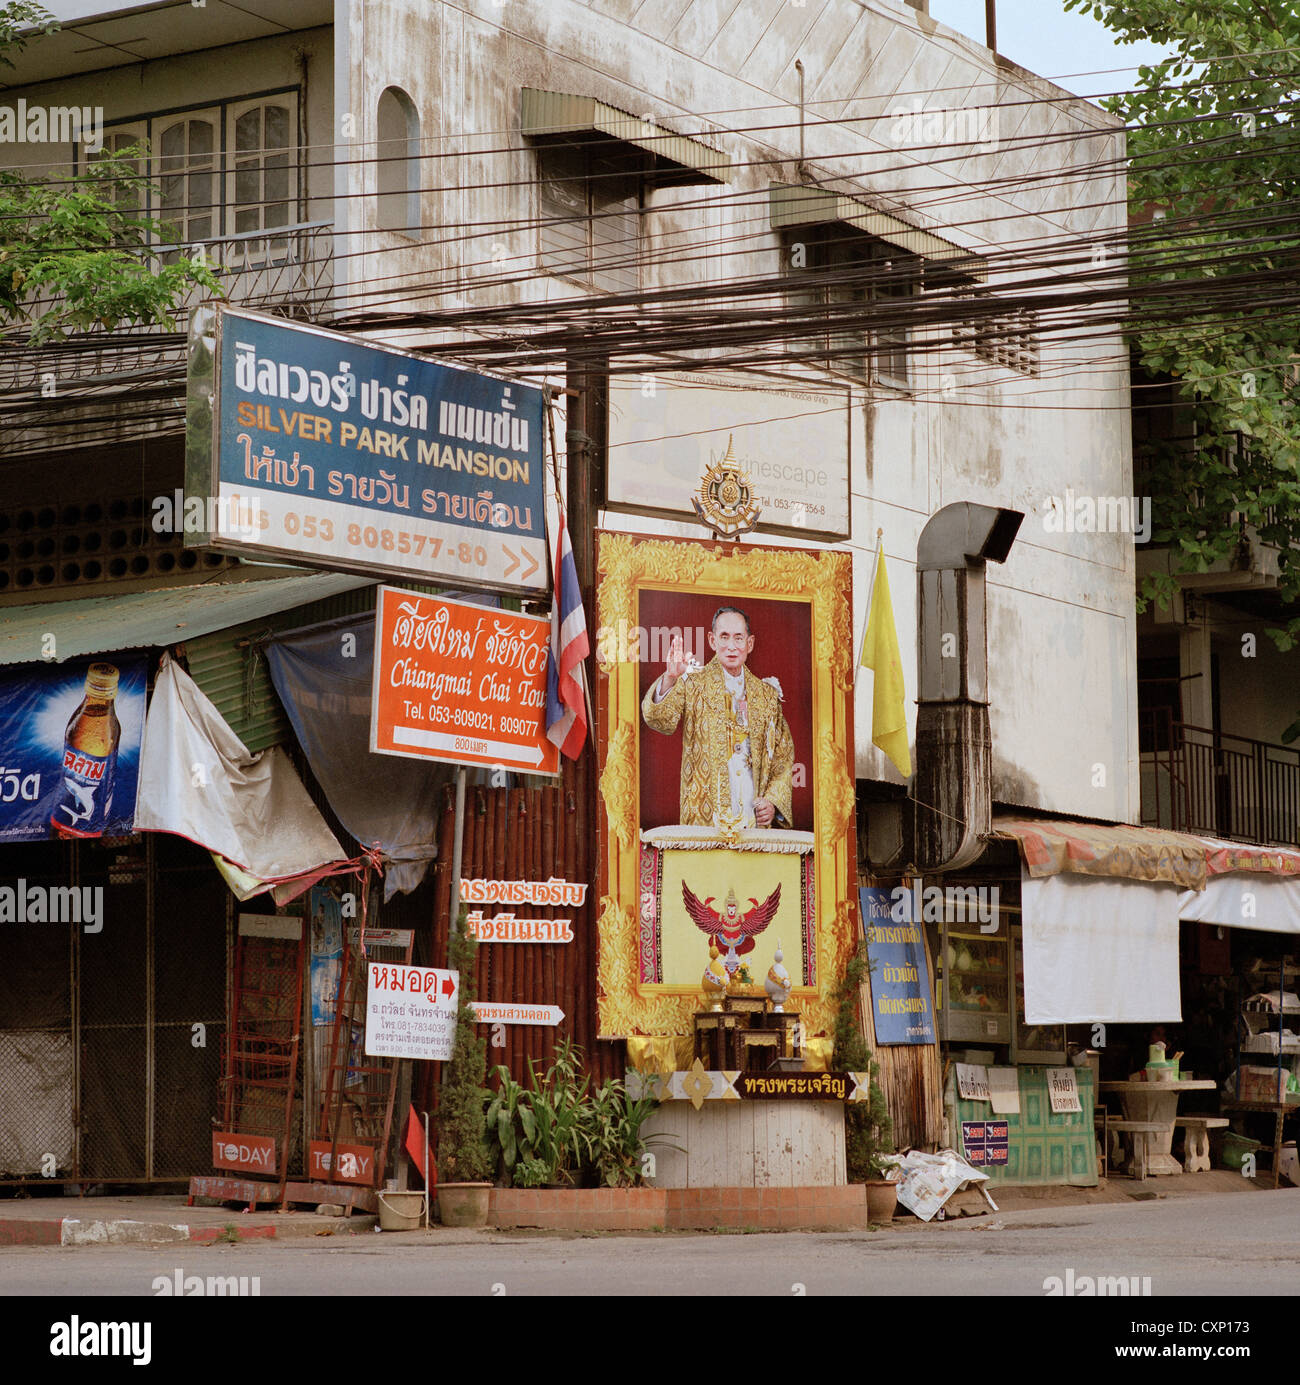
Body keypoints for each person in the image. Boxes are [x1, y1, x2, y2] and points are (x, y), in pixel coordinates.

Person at [641, 606, 794, 830]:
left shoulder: (767, 696)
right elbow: (659, 719)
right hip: (704, 820)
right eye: (724, 637)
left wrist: (772, 802)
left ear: (749, 644)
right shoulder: (693, 683)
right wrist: (670, 678)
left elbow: (783, 758)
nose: (731, 646)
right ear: (712, 641)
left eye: (738, 638)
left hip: (753, 822)